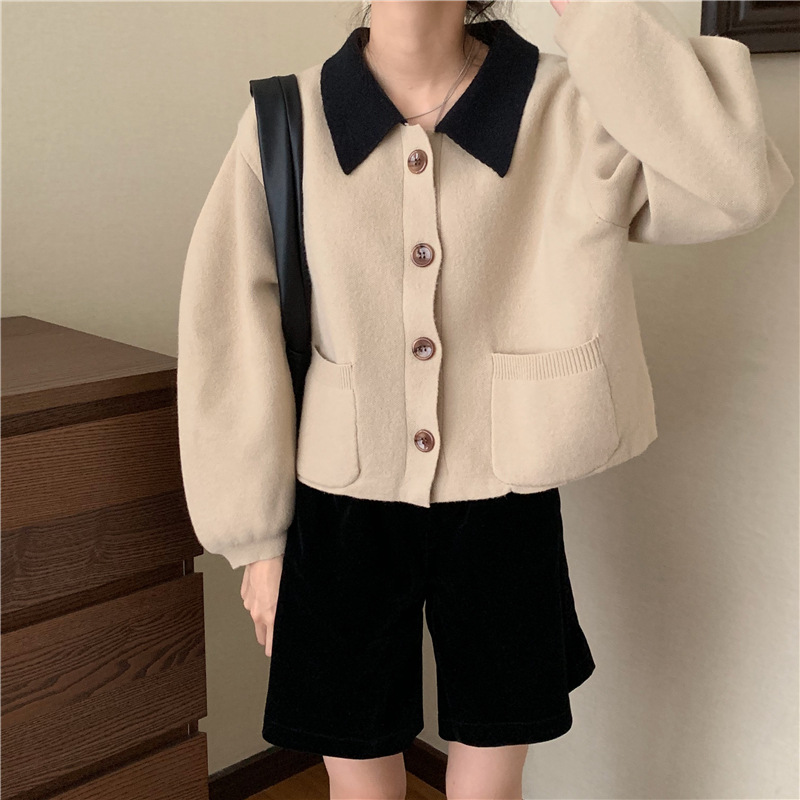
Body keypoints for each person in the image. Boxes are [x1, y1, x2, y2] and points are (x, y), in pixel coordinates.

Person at [176, 1, 794, 797]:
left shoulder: (569, 107)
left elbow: (740, 186)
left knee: (490, 784)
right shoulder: (287, 120)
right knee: (359, 785)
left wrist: (590, 11)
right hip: (339, 504)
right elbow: (229, 332)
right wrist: (258, 541)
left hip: (505, 501)